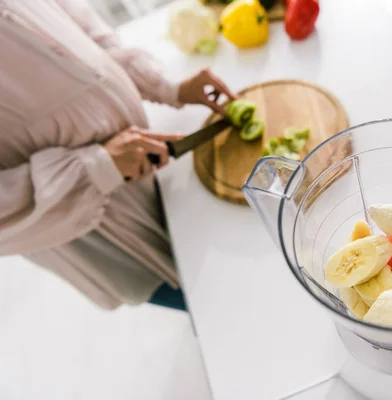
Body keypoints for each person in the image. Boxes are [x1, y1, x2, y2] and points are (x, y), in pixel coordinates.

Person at [0, 0, 238, 311]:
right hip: (100, 227)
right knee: (218, 308)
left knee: (230, 271)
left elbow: (83, 29)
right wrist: (96, 168)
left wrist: (164, 86)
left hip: (152, 168)